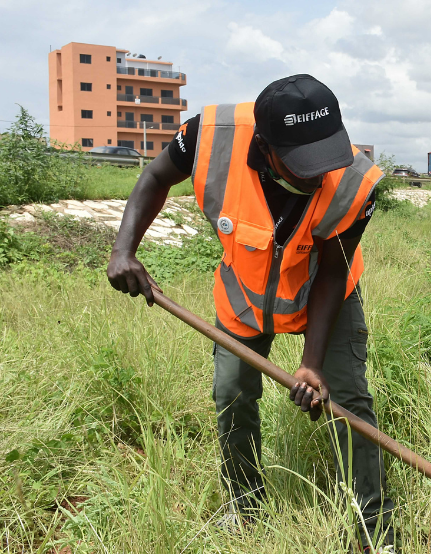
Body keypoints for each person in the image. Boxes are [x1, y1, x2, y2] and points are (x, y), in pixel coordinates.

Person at [107, 74, 396, 551]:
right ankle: (245, 505)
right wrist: (124, 250)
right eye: (303, 163)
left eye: (325, 157)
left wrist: (313, 363)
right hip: (244, 292)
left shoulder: (355, 184)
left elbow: (329, 273)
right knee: (233, 393)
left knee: (348, 401)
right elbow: (156, 176)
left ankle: (375, 529)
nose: (318, 173)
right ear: (264, 146)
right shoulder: (209, 135)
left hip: (325, 293)